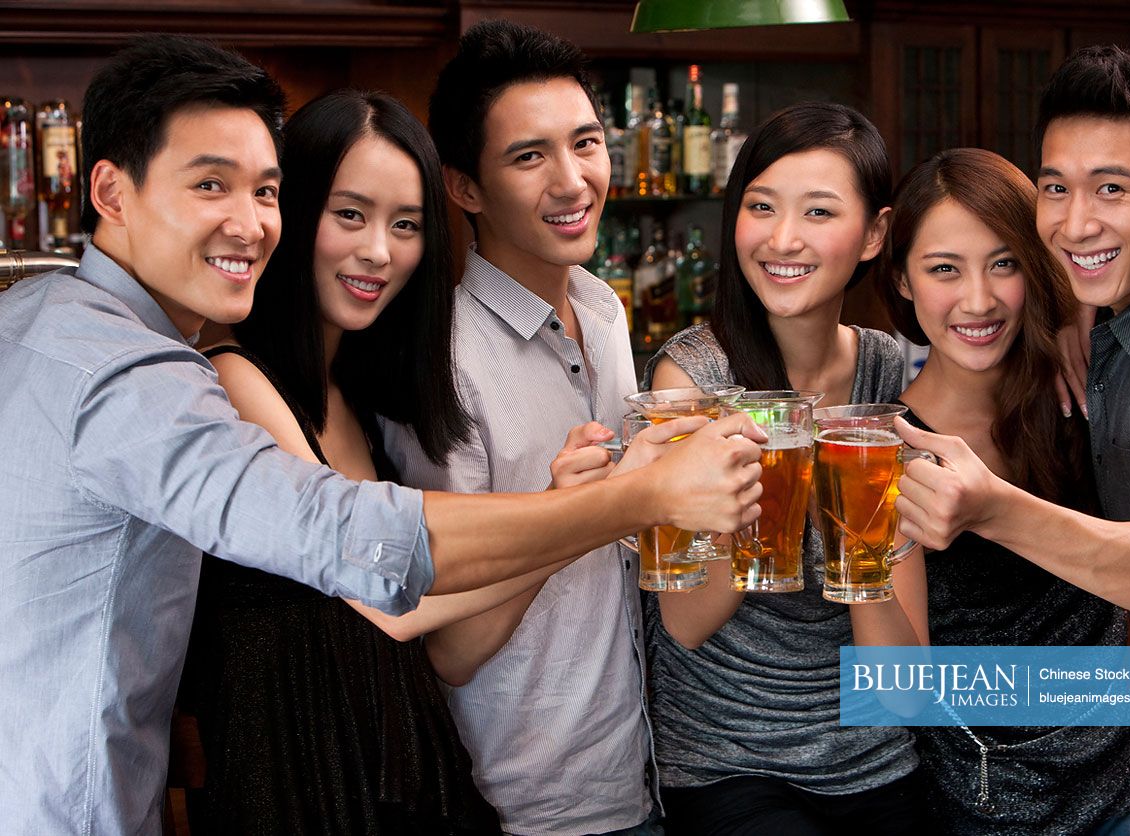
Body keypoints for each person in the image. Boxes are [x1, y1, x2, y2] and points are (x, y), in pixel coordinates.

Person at [0, 35, 765, 833]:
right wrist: (634, 497)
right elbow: (354, 551)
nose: (248, 221)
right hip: (188, 790)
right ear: (110, 192)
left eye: (264, 192)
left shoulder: (50, 321)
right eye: (208, 185)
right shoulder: (147, 374)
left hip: (388, 770)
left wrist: (593, 504)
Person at [893, 45, 1130, 836]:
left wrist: (990, 508)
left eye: (1111, 189)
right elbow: (895, 687)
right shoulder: (1110, 324)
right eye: (1055, 188)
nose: (1076, 220)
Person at [180, 90, 504, 834]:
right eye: (349, 214)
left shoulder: (365, 396)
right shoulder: (232, 377)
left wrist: (578, 518)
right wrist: (602, 511)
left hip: (399, 765)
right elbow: (391, 603)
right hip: (297, 779)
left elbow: (444, 654)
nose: (379, 252)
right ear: (289, 215)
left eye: (407, 226)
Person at [380, 20, 669, 834]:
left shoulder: (603, 308)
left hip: (646, 767)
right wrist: (571, 513)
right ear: (465, 188)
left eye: (585, 143)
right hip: (530, 802)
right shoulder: (441, 362)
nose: (574, 179)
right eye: (529, 156)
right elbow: (451, 648)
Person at [642, 102, 928, 835]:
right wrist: (752, 493)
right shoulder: (690, 381)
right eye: (760, 206)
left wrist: (857, 529)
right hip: (727, 763)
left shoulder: (887, 373)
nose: (782, 239)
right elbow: (686, 622)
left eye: (818, 212)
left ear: (873, 235)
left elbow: (900, 687)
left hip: (873, 758)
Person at [876, 147, 1130, 834]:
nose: (978, 299)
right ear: (902, 282)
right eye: (943, 269)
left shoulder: (1078, 384)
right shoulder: (888, 449)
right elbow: (897, 697)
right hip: (988, 810)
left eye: (1005, 263)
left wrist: (1081, 308)